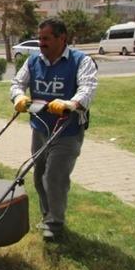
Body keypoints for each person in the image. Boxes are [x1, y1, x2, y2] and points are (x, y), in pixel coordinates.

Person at [10, 18, 98, 241]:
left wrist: (70, 104)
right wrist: (18, 97)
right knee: (39, 176)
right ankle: (47, 215)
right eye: (39, 38)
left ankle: (55, 223)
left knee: (54, 177)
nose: (41, 43)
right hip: (40, 128)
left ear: (62, 38)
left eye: (46, 38)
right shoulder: (33, 61)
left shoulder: (81, 61)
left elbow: (88, 88)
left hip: (67, 131)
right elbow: (17, 83)